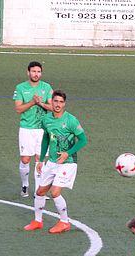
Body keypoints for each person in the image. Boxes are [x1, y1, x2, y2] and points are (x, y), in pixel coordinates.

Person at [23, 90, 87, 234]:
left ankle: (64, 222)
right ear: (51, 102)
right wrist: (40, 160)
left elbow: (83, 140)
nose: (58, 104)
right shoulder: (46, 120)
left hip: (68, 162)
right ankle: (37, 221)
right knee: (40, 192)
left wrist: (67, 153)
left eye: (61, 102)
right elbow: (46, 138)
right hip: (51, 162)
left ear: (64, 103)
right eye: (55, 101)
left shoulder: (71, 120)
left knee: (55, 192)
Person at [13, 61, 53, 197]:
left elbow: (53, 107)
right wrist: (32, 102)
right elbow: (18, 109)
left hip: (42, 129)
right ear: (28, 72)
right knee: (25, 159)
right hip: (26, 128)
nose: (36, 74)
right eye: (34, 71)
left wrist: (41, 103)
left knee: (39, 159)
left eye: (38, 72)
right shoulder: (20, 88)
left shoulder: (46, 87)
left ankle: (38, 191)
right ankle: (25, 185)